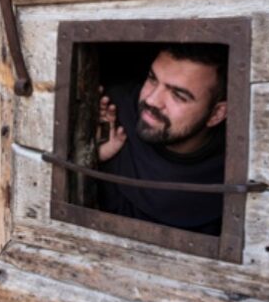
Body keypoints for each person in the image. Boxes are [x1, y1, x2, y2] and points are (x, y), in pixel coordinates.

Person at [95, 44, 228, 235]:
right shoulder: (111, 111)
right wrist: (89, 154)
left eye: (178, 95)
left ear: (216, 113)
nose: (152, 100)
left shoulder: (236, 166)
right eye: (152, 79)